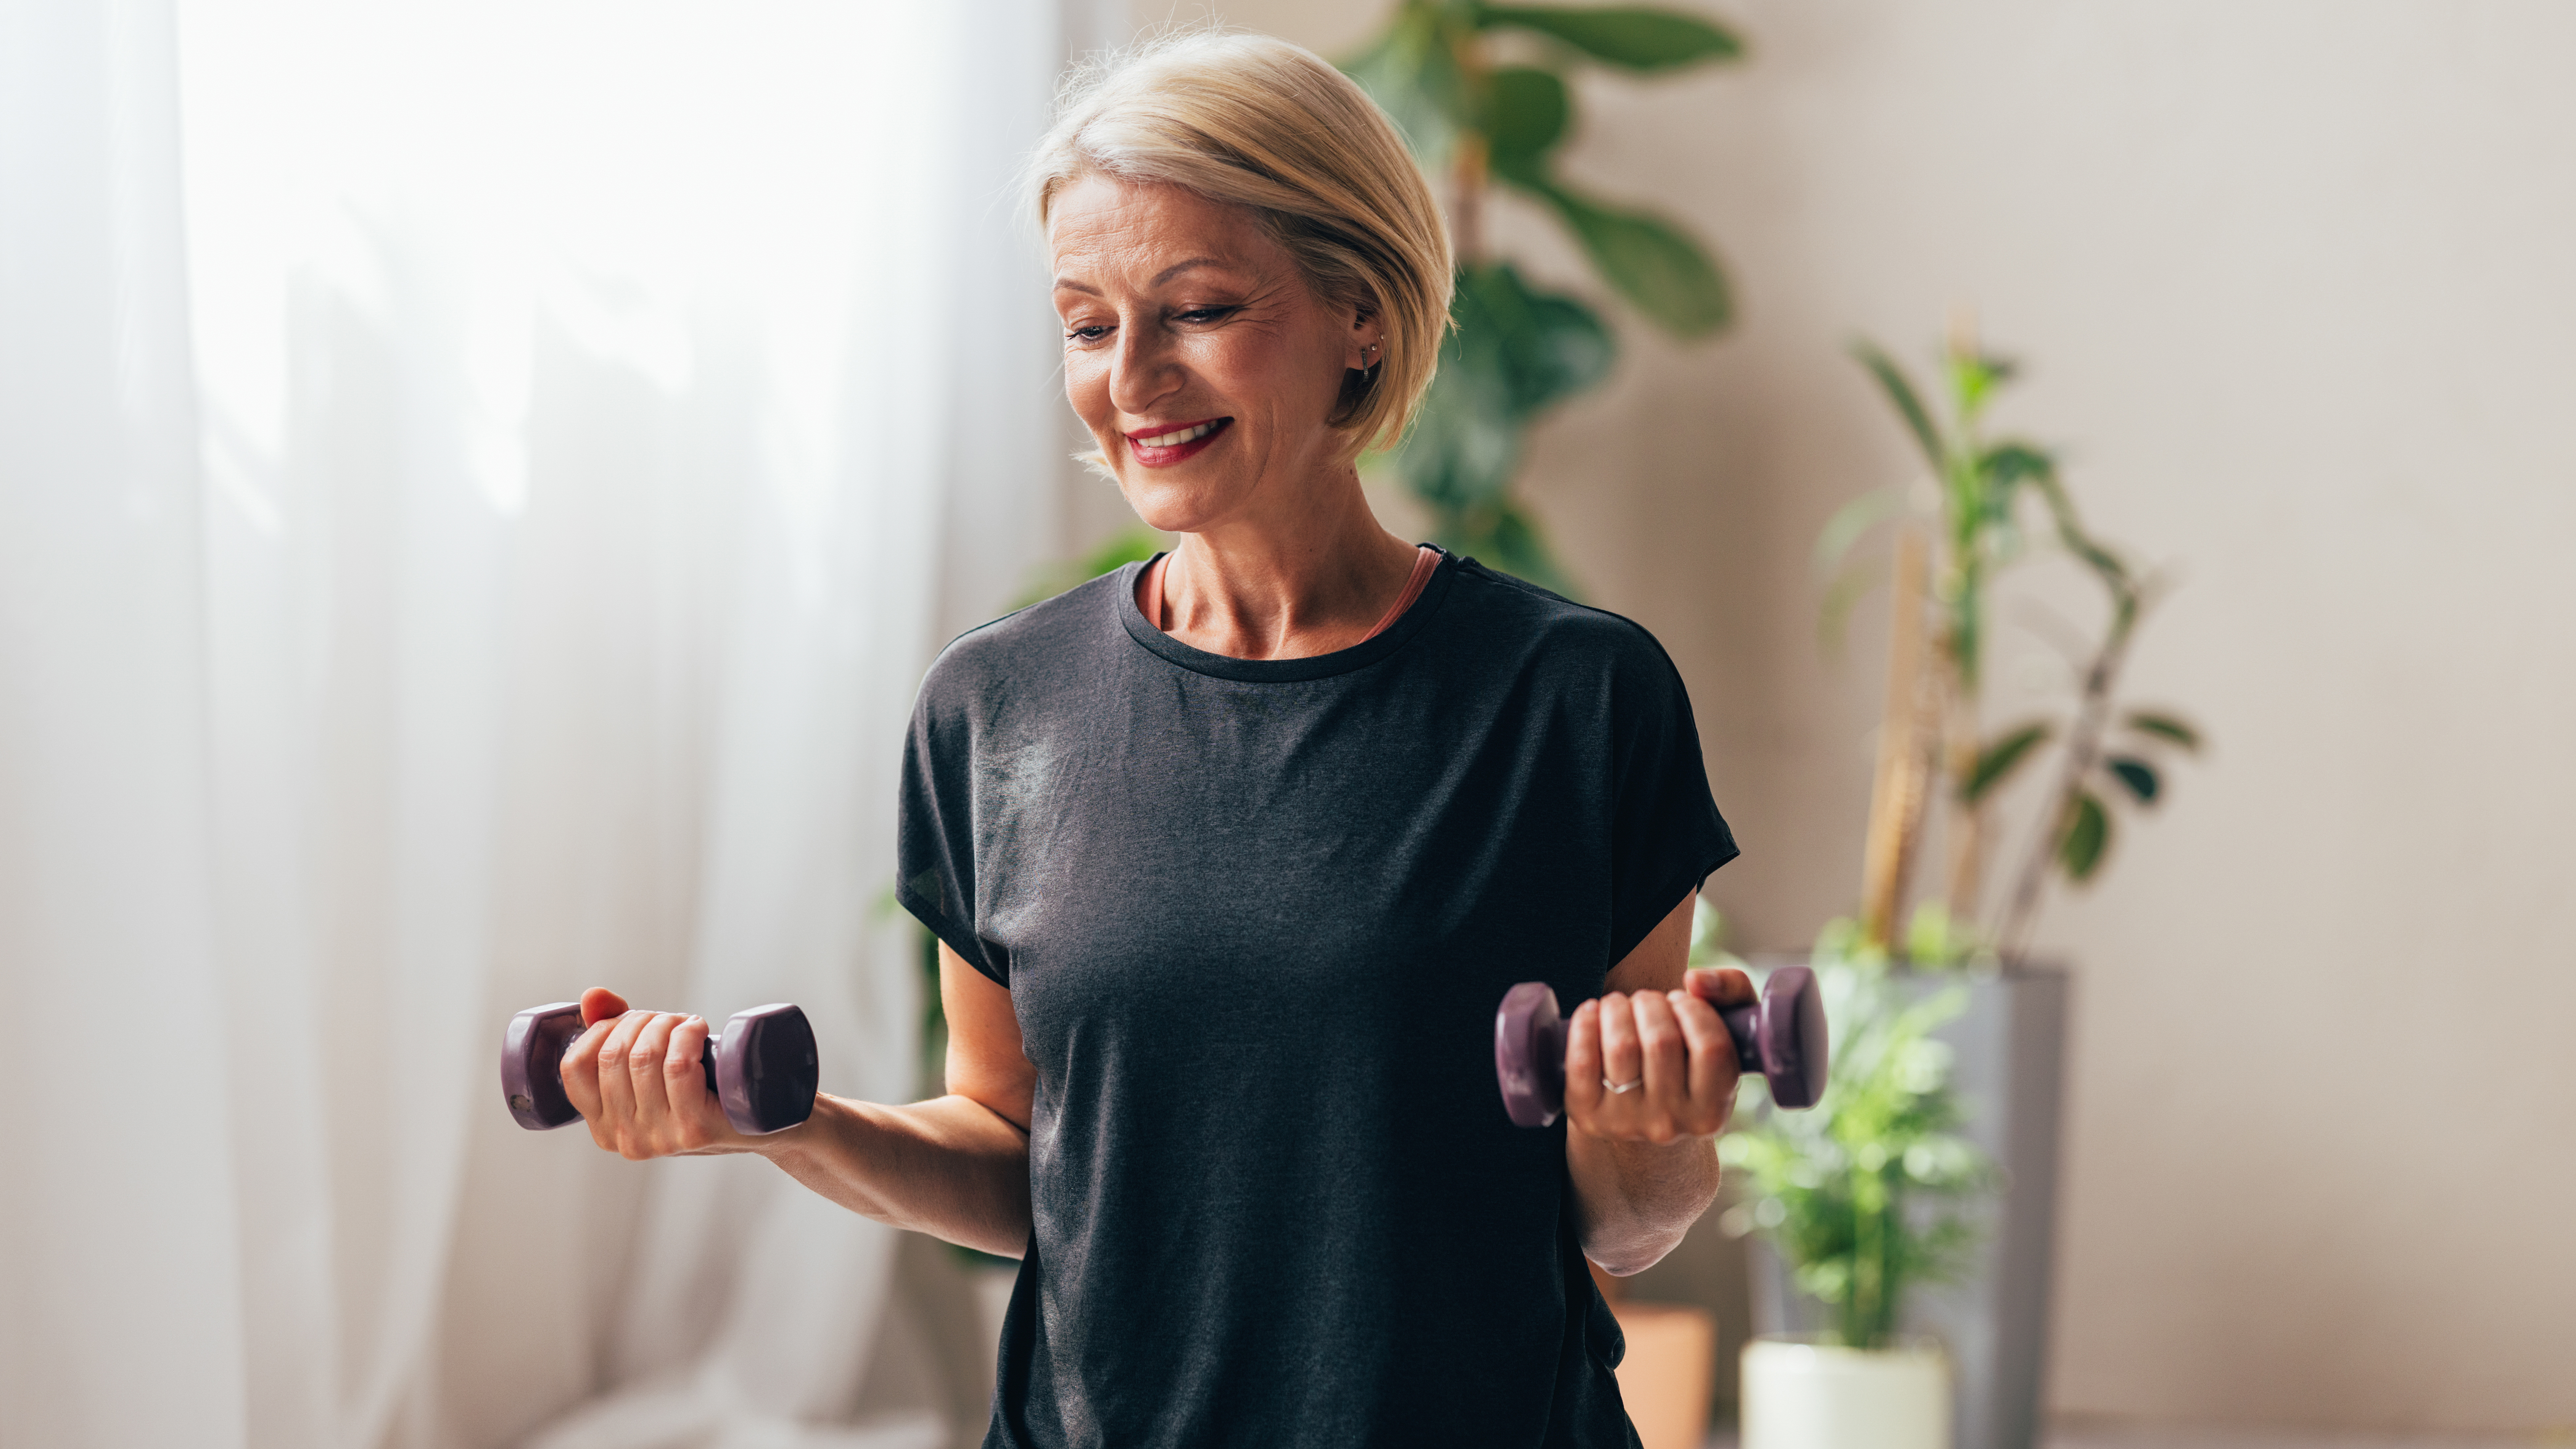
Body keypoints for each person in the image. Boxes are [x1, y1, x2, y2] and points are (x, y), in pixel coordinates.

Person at [558, 30, 1749, 1448]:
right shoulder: (992, 709)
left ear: (1357, 314)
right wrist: (784, 1126)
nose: (1130, 377)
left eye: (1194, 310)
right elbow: (1013, 1155)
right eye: (1084, 321)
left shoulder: (1574, 696)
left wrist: (1651, 1120)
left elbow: (1624, 1224)